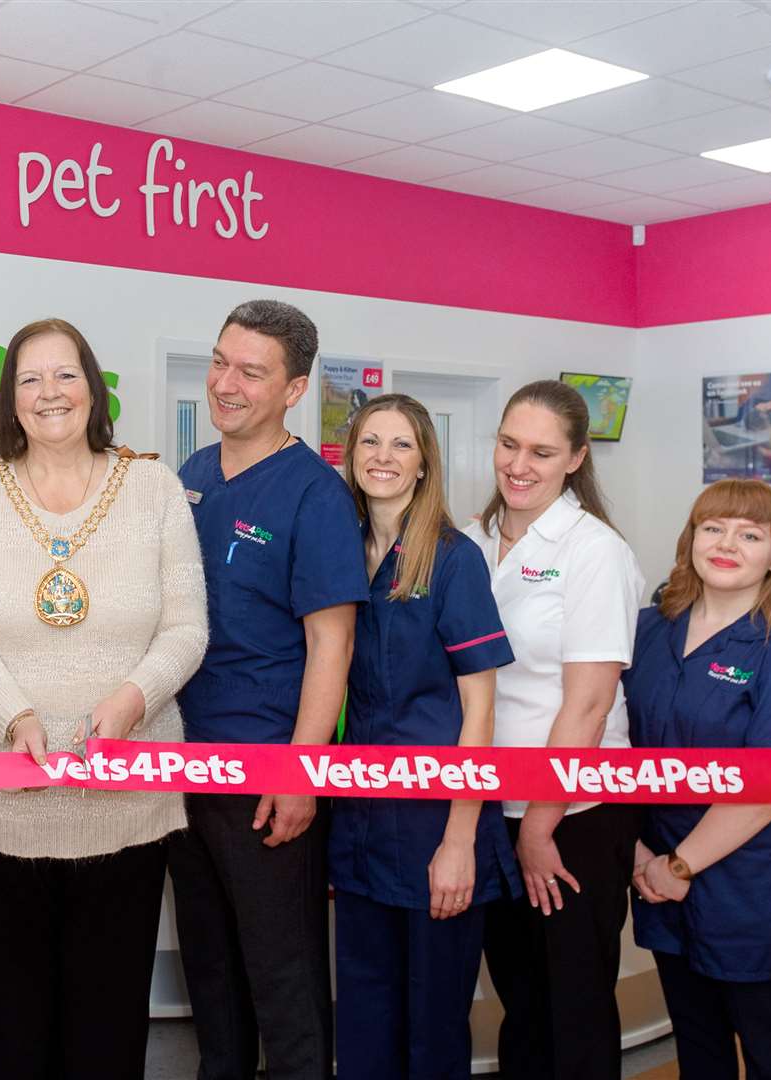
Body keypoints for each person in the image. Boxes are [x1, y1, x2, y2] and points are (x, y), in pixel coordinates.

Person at [0, 317, 206, 1080]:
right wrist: (13, 715)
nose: (50, 393)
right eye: (30, 379)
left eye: (65, 374)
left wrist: (131, 702)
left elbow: (186, 628)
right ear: (11, 400)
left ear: (95, 386)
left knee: (107, 1022)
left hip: (125, 796)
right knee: (2, 1024)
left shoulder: (152, 486)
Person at [170, 299, 367, 1080]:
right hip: (183, 763)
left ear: (293, 389)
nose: (226, 383)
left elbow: (334, 642)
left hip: (264, 772)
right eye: (220, 361)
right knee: (209, 966)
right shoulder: (189, 475)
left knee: (281, 974)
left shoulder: (314, 495)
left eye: (251, 372)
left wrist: (299, 772)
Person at [331, 395, 520, 1080]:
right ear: (350, 458)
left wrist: (459, 843)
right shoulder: (341, 552)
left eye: (401, 445)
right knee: (363, 1009)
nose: (383, 457)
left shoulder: (451, 559)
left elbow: (481, 714)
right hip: (359, 820)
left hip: (436, 824)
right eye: (369, 443)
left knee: (432, 1021)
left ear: (423, 465)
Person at [625, 480, 771, 1080]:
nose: (726, 544)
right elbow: (611, 743)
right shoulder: (647, 630)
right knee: (698, 1050)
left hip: (749, 891)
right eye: (713, 528)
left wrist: (678, 867)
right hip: (658, 876)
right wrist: (640, 856)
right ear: (691, 538)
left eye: (750, 534)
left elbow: (764, 791)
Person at [470, 379, 645, 1080]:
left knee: (572, 1006)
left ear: (575, 459)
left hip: (575, 813)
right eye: (509, 444)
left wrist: (540, 825)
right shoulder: (472, 538)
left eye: (542, 452)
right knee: (520, 997)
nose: (519, 464)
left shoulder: (593, 550)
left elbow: (589, 705)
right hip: (490, 803)